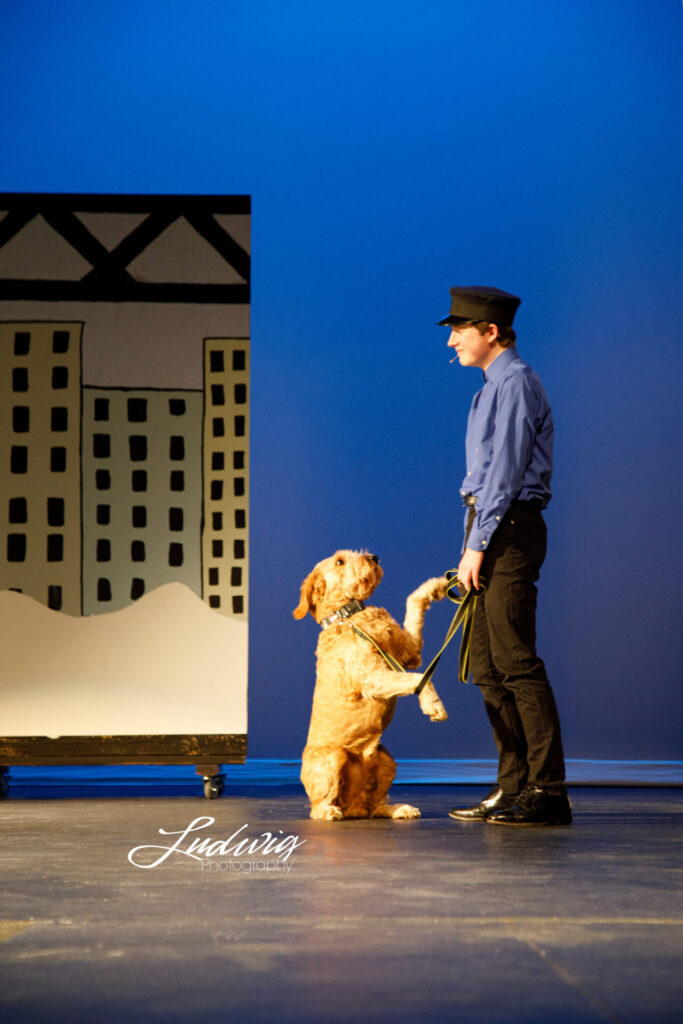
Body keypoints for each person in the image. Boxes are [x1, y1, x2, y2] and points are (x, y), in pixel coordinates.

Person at [440, 285, 572, 826]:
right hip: (490, 526)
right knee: (488, 668)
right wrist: (471, 542)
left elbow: (506, 474)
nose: (451, 342)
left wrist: (477, 545)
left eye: (459, 330)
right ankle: (513, 785)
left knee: (516, 661)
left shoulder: (514, 382)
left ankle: (548, 791)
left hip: (510, 529)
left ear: (490, 332)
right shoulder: (490, 387)